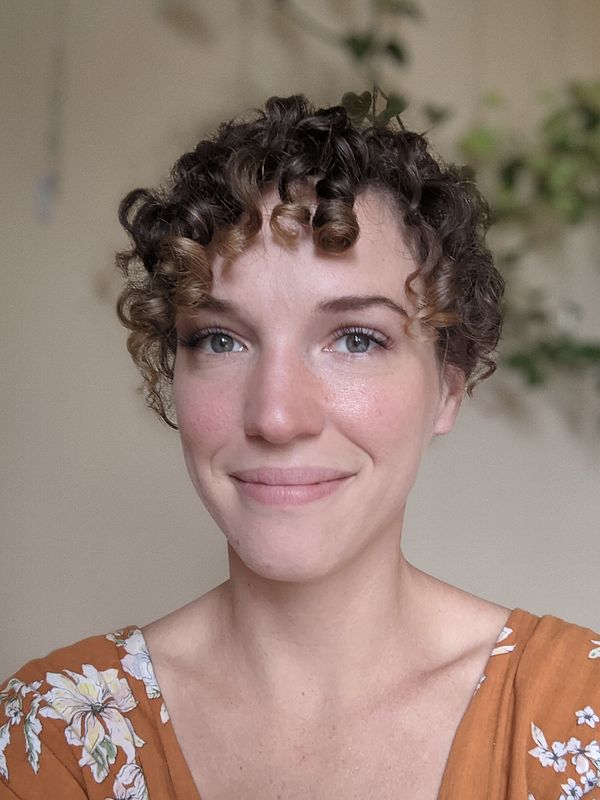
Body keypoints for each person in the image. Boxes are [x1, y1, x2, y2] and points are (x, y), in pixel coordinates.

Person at [1, 95, 598, 800]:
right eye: (220, 339)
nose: (277, 415)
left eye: (355, 339)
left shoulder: (578, 722)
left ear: (447, 390)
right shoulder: (56, 734)